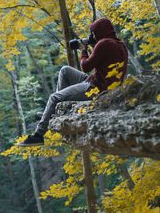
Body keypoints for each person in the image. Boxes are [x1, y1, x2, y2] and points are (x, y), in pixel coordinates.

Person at [18, 17, 128, 146]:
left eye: (93, 32)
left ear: (100, 31)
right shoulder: (118, 44)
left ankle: (38, 136)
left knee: (54, 97)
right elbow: (102, 62)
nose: (91, 35)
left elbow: (86, 66)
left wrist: (83, 49)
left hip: (97, 89)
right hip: (99, 81)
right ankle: (56, 111)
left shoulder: (104, 44)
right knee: (65, 70)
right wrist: (92, 46)